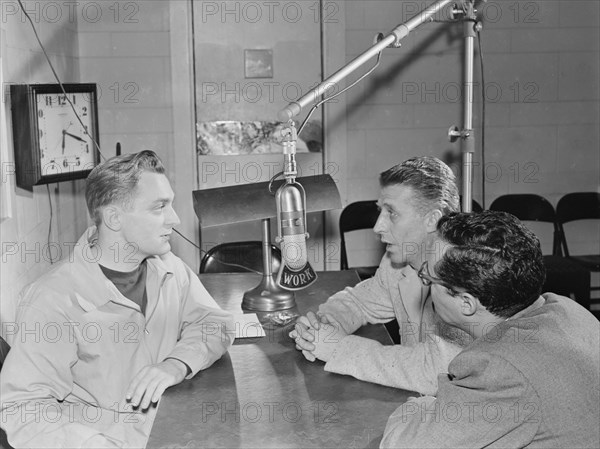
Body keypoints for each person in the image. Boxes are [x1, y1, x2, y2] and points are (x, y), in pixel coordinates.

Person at [0, 150, 235, 448]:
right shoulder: (52, 300)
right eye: (159, 207)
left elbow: (214, 322)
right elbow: (22, 409)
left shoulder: (167, 266)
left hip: (177, 427)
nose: (174, 219)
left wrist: (176, 364)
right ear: (114, 218)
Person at [381, 211, 600, 448]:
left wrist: (419, 405)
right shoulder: (567, 309)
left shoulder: (497, 370)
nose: (423, 278)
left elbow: (401, 444)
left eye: (428, 276)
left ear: (466, 303)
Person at [291, 156, 473, 395]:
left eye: (392, 213)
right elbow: (358, 302)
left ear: (433, 219)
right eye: (380, 211)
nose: (377, 227)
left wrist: (338, 348)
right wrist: (324, 326)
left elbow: (437, 372)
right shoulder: (399, 263)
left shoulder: (470, 278)